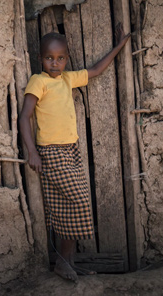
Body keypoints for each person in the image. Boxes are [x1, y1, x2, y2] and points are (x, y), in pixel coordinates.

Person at [19, 24, 130, 282]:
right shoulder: (39, 81)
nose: (54, 63)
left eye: (59, 59)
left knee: (66, 207)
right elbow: (24, 117)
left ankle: (68, 262)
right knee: (78, 202)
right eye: (49, 58)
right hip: (51, 151)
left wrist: (118, 47)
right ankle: (62, 261)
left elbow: (95, 70)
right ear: (40, 59)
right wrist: (32, 152)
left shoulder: (68, 79)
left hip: (71, 150)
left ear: (66, 60)